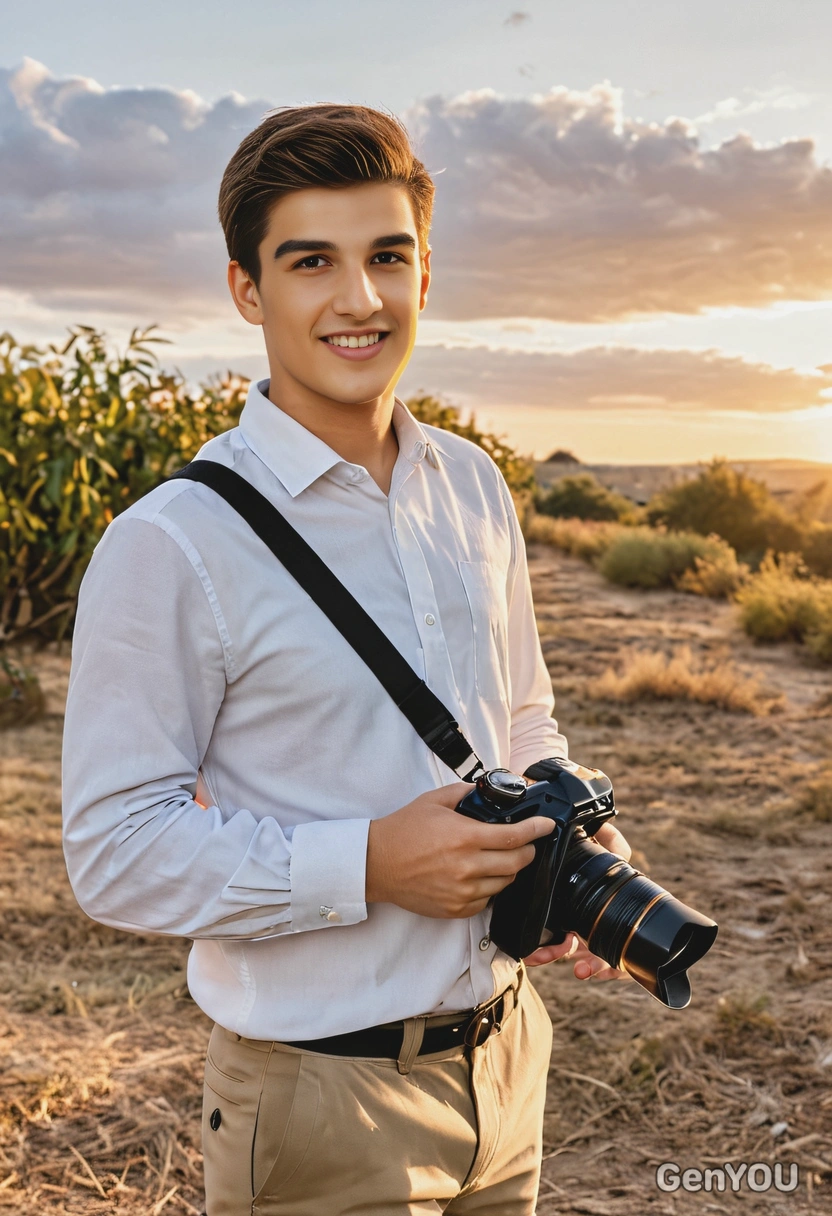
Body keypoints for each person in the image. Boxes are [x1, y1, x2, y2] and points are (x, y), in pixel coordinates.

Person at [62, 103, 631, 1216]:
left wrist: (569, 837)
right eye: (310, 260)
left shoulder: (472, 484)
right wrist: (366, 863)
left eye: (386, 256)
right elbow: (112, 851)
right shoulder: (170, 542)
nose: (358, 298)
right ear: (245, 289)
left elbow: (519, 715)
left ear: (426, 272)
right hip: (320, 1095)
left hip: (509, 1062)